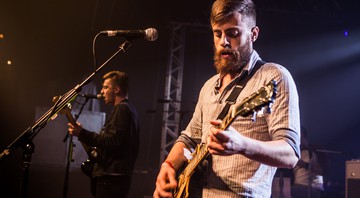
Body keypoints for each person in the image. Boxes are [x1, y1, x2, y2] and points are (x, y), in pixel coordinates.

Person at [153, 0, 301, 197]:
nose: (223, 42)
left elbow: (290, 153)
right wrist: (168, 165)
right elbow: (189, 138)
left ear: (253, 34)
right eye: (217, 33)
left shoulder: (274, 77)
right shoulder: (209, 86)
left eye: (233, 33)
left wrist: (241, 145)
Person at [68, 71, 140, 198]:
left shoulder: (122, 108)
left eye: (106, 87)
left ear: (116, 89)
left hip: (111, 179)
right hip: (113, 177)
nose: (102, 91)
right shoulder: (127, 109)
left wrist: (82, 133)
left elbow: (112, 141)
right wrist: (82, 135)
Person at [291, 127, 326, 198]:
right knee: (279, 189)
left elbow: (324, 171)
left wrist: (305, 165)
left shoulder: (315, 150)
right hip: (297, 185)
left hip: (313, 187)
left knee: (288, 191)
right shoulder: (296, 151)